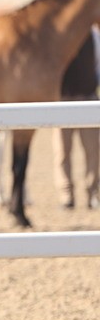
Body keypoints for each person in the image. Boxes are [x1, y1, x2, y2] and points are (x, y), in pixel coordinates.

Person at [54, 27, 100, 209]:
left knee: (93, 149)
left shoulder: (94, 37)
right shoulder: (59, 37)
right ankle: (66, 195)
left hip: (87, 97)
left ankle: (92, 193)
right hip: (63, 99)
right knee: (62, 151)